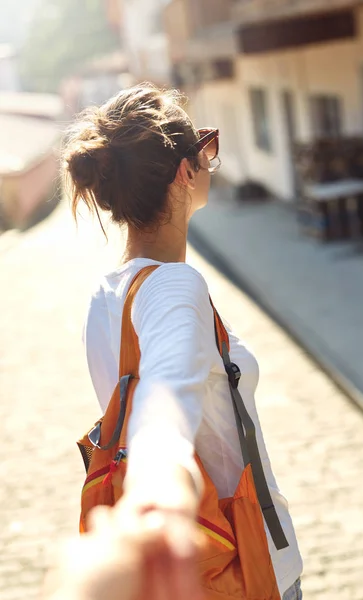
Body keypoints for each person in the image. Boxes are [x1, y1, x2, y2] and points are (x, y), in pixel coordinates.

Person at [62, 84, 303, 600]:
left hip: (196, 570)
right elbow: (166, 391)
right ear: (184, 171)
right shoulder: (174, 284)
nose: (209, 160)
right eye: (205, 148)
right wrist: (161, 491)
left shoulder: (106, 296)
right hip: (245, 564)